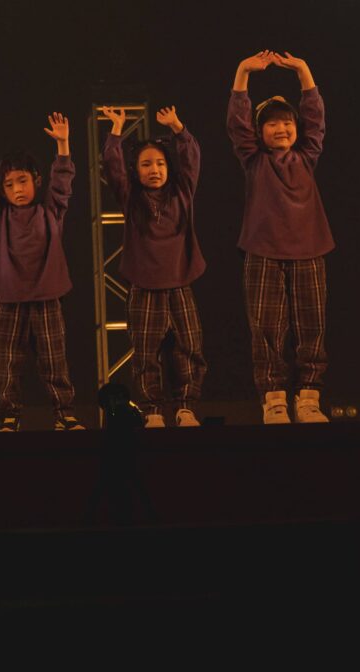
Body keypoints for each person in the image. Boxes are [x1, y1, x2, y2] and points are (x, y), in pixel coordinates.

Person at [228, 51, 332, 425]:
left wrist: (303, 70)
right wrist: (243, 71)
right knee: (266, 327)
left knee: (311, 325)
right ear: (260, 133)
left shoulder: (306, 155)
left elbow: (315, 118)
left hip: (309, 249)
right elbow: (238, 122)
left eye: (287, 123)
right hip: (263, 252)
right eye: (271, 124)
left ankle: (309, 398)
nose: (281, 129)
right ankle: (273, 400)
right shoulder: (254, 159)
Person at [0, 112, 83, 432]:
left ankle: (64, 413)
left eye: (22, 181)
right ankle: (10, 415)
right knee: (6, 362)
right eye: (9, 184)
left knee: (54, 359)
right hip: (7, 297)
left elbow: (62, 183)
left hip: (46, 296)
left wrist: (63, 143)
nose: (16, 189)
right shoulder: (0, 215)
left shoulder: (51, 211)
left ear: (35, 180)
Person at [99, 106, 208, 428]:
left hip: (180, 283)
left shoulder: (182, 192)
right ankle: (153, 410)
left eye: (160, 163)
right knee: (146, 352)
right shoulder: (131, 197)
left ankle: (185, 407)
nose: (154, 170)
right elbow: (113, 168)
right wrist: (116, 132)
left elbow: (191, 159)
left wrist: (178, 127)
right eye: (146, 164)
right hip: (144, 286)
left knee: (189, 348)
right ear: (136, 170)